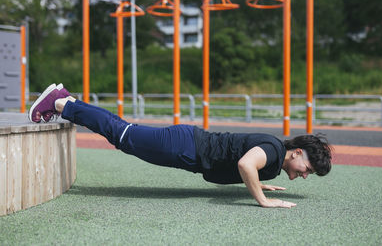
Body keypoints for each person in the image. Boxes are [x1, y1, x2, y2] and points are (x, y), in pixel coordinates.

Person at [29, 83, 332, 209]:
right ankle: (62, 103)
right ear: (298, 153)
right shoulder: (274, 151)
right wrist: (262, 201)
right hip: (186, 147)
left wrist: (261, 185)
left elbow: (247, 164)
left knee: (124, 133)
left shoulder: (274, 155)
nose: (305, 174)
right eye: (308, 169)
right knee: (122, 135)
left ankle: (66, 99)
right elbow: (244, 164)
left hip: (187, 147)